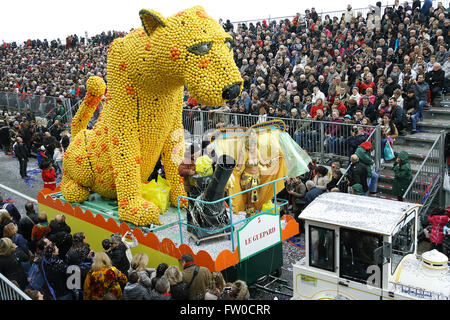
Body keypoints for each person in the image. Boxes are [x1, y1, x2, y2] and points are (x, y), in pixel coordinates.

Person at [65, 232, 94, 299]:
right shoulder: (85, 249)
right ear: (82, 239)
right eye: (84, 237)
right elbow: (82, 262)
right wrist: (89, 259)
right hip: (81, 276)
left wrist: (87, 258)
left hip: (72, 275)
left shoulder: (71, 249)